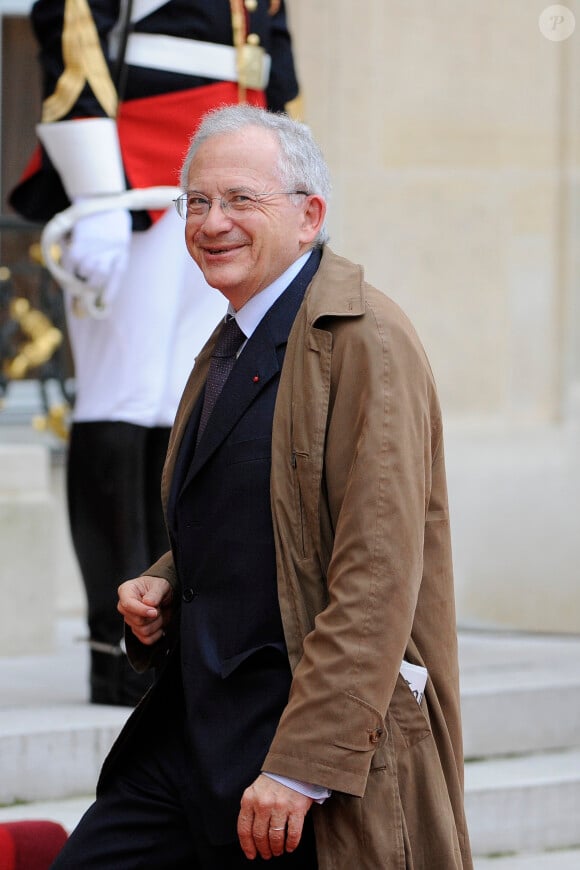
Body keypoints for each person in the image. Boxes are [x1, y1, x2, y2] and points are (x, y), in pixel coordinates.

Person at [50, 105, 473, 869]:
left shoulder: (367, 342)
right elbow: (259, 511)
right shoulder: (230, 336)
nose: (213, 223)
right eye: (198, 202)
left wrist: (299, 768)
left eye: (242, 200)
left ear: (309, 216)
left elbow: (376, 574)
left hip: (297, 759)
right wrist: (163, 585)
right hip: (192, 738)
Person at [9, 0, 302, 706]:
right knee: (124, 396)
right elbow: (77, 28)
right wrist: (98, 191)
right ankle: (117, 652)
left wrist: (292, 187)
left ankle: (175, 643)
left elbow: (273, 61)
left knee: (193, 403)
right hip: (132, 167)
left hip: (233, 171)